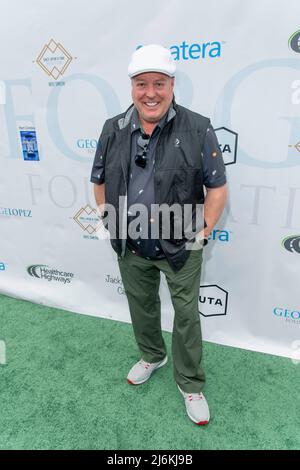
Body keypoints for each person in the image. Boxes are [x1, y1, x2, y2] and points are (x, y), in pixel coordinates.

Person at [91, 44, 227, 425]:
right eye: (141, 84)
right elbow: (98, 180)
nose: (150, 93)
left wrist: (204, 231)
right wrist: (109, 220)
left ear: (172, 85)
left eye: (159, 83)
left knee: (186, 316)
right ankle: (152, 355)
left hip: (181, 247)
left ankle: (190, 382)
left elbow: (217, 187)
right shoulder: (112, 128)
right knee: (141, 306)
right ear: (132, 87)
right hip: (130, 245)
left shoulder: (198, 127)